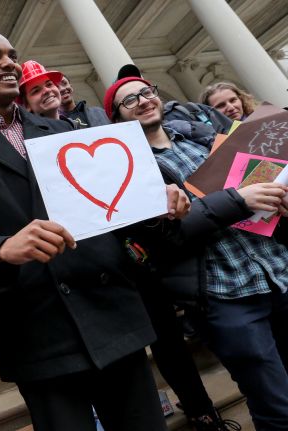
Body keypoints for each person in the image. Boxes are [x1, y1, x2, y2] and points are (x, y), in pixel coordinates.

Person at [0, 32, 187, 431]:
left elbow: (115, 212)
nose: (9, 63)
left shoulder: (68, 131)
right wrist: (0, 250)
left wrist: (157, 202)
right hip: (36, 334)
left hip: (110, 314)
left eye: (13, 55)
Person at [105, 74, 288, 430]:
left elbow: (263, 186)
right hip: (227, 295)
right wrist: (237, 201)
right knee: (277, 407)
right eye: (129, 100)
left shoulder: (206, 137)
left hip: (277, 270)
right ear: (116, 118)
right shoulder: (128, 173)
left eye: (146, 92)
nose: (143, 100)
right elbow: (162, 240)